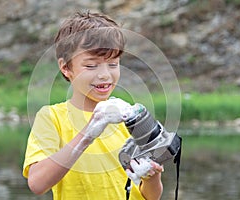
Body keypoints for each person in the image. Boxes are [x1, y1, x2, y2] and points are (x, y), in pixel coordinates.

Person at [22, 11, 164, 200]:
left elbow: (151, 196)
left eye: (113, 64)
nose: (105, 74)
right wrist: (89, 132)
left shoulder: (128, 118)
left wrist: (153, 176)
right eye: (91, 66)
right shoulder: (51, 118)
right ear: (66, 68)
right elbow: (37, 183)